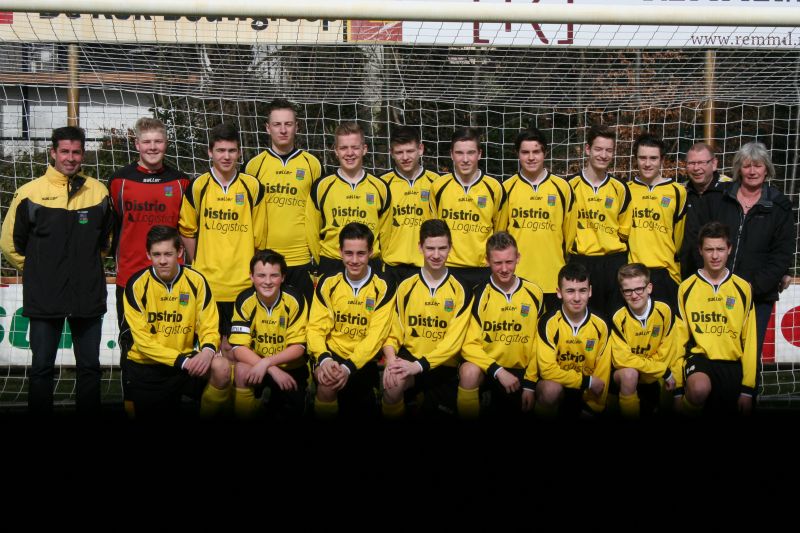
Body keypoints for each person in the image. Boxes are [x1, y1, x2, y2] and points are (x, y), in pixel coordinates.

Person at [1, 126, 113, 416]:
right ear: (53, 152)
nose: (70, 158)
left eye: (76, 152)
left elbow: (105, 243)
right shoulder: (29, 193)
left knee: (90, 367)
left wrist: (83, 267)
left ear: (83, 154)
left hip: (87, 294)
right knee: (41, 368)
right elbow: (10, 244)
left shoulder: (99, 192)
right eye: (64, 151)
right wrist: (39, 271)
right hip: (44, 294)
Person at [689, 142, 794, 393]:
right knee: (712, 354)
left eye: (758, 166)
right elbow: (698, 240)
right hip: (713, 292)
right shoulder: (719, 198)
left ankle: (746, 400)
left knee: (747, 358)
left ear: (766, 169)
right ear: (738, 169)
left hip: (756, 296)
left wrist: (750, 288)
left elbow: (781, 255)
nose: (752, 171)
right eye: (746, 166)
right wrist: (710, 280)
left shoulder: (779, 205)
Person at [121, 225, 231, 418]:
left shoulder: (196, 280)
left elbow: (209, 325)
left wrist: (207, 351)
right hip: (147, 366)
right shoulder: (136, 285)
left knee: (221, 367)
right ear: (148, 255)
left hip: (185, 361)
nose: (162, 260)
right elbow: (143, 342)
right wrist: (183, 362)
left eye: (168, 254)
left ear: (179, 252)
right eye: (156, 254)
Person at [178, 122, 267, 361]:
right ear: (210, 152)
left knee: (237, 351)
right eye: (220, 150)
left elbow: (259, 238)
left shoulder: (252, 186)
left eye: (231, 150)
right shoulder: (198, 186)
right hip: (208, 284)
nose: (226, 156)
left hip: (242, 285)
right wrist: (198, 261)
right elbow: (187, 230)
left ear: (239, 152)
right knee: (213, 352)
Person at [381, 219, 471, 419]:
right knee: (392, 384)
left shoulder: (461, 288)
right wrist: (391, 360)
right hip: (410, 359)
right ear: (420, 247)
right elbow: (393, 331)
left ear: (450, 248)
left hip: (444, 366)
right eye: (430, 248)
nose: (436, 255)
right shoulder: (405, 285)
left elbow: (453, 342)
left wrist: (420, 365)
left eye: (442, 248)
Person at [108, 118, 190, 328]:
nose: (152, 147)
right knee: (130, 339)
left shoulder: (181, 182)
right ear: (137, 144)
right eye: (146, 142)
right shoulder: (119, 181)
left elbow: (187, 230)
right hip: (130, 276)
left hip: (171, 277)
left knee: (172, 338)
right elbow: (115, 225)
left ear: (166, 143)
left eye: (158, 141)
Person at [307, 222, 395, 418]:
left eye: (361, 253)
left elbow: (377, 335)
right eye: (349, 253)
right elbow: (315, 328)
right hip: (332, 355)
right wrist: (324, 358)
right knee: (327, 383)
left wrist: (349, 367)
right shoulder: (327, 282)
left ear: (371, 252)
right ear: (340, 252)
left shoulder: (384, 285)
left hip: (364, 359)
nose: (354, 260)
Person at [457, 232, 544, 419]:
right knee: (468, 371)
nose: (504, 269)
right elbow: (468, 345)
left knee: (551, 390)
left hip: (523, 372)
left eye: (509, 262)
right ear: (487, 260)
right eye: (497, 263)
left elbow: (540, 343)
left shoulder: (535, 292)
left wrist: (530, 384)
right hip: (489, 370)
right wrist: (497, 371)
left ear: (518, 258)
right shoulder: (477, 295)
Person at [673, 222, 757, 416]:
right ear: (700, 250)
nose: (715, 256)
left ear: (729, 249)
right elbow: (678, 341)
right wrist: (677, 390)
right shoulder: (686, 288)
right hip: (700, 359)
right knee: (698, 389)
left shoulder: (743, 288)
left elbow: (750, 341)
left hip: (731, 364)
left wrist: (747, 389)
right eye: (709, 249)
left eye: (720, 249)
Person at [244, 99, 322, 303]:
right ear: (267, 128)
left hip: (302, 259)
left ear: (297, 126)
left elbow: (319, 212)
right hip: (266, 262)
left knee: (304, 317)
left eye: (288, 124)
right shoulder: (253, 166)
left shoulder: (312, 164)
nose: (283, 130)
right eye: (277, 124)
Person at [306, 121, 392, 278]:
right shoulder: (322, 186)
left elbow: (386, 234)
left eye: (355, 147)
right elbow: (311, 231)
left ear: (364, 149)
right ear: (336, 151)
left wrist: (380, 260)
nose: (350, 153)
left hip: (370, 263)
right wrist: (322, 260)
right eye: (344, 148)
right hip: (332, 262)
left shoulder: (380, 187)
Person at [228, 250, 308, 420]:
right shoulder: (244, 300)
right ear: (251, 277)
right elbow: (238, 348)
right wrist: (269, 368)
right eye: (261, 275)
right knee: (241, 369)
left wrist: (268, 362)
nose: (267, 281)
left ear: (283, 277)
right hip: (257, 367)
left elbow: (299, 347)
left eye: (274, 275)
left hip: (290, 369)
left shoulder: (295, 299)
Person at [501, 127, 573, 313]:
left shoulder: (562, 188)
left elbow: (569, 235)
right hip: (517, 279)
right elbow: (500, 236)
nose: (531, 157)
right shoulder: (506, 188)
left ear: (545, 153)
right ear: (517, 154)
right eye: (525, 152)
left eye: (536, 152)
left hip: (553, 279)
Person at [430, 127, 507, 290]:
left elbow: (499, 233)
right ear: (451, 154)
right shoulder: (438, 187)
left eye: (470, 153)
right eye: (459, 153)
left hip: (483, 269)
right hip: (448, 268)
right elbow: (433, 231)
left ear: (479, 154)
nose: (465, 159)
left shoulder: (495, 188)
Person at [567, 124, 631, 319]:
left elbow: (625, 232)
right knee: (584, 319)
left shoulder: (620, 188)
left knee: (614, 318)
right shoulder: (569, 186)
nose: (603, 155)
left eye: (608, 150)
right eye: (598, 149)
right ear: (588, 149)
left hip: (613, 263)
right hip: (581, 261)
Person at [535, 262, 611, 417]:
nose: (577, 298)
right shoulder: (547, 322)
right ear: (559, 292)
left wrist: (594, 407)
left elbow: (602, 374)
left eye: (582, 290)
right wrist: (586, 381)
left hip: (588, 391)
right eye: (570, 291)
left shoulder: (602, 324)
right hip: (558, 385)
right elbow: (547, 370)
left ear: (590, 291)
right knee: (550, 391)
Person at [609, 263, 680, 419]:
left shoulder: (664, 311)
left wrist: (653, 372)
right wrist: (663, 371)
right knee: (630, 375)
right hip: (627, 376)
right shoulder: (617, 316)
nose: (634, 295)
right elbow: (621, 360)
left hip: (652, 376)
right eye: (628, 291)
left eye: (639, 289)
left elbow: (666, 352)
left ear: (649, 288)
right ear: (621, 292)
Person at [626, 132, 687, 311]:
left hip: (667, 272)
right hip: (634, 274)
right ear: (635, 159)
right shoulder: (625, 191)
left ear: (662, 160)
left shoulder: (677, 192)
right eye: (642, 158)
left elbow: (679, 236)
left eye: (653, 158)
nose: (647, 163)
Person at [380, 126, 438, 287]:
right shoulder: (381, 184)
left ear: (420, 149)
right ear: (391, 153)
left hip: (426, 266)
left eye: (410, 151)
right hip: (391, 266)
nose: (405, 157)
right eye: (399, 152)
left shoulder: (436, 183)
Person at [679, 142, 731, 278]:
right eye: (691, 163)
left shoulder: (730, 191)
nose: (696, 168)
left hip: (724, 274)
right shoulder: (681, 193)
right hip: (687, 274)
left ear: (714, 164)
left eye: (702, 162)